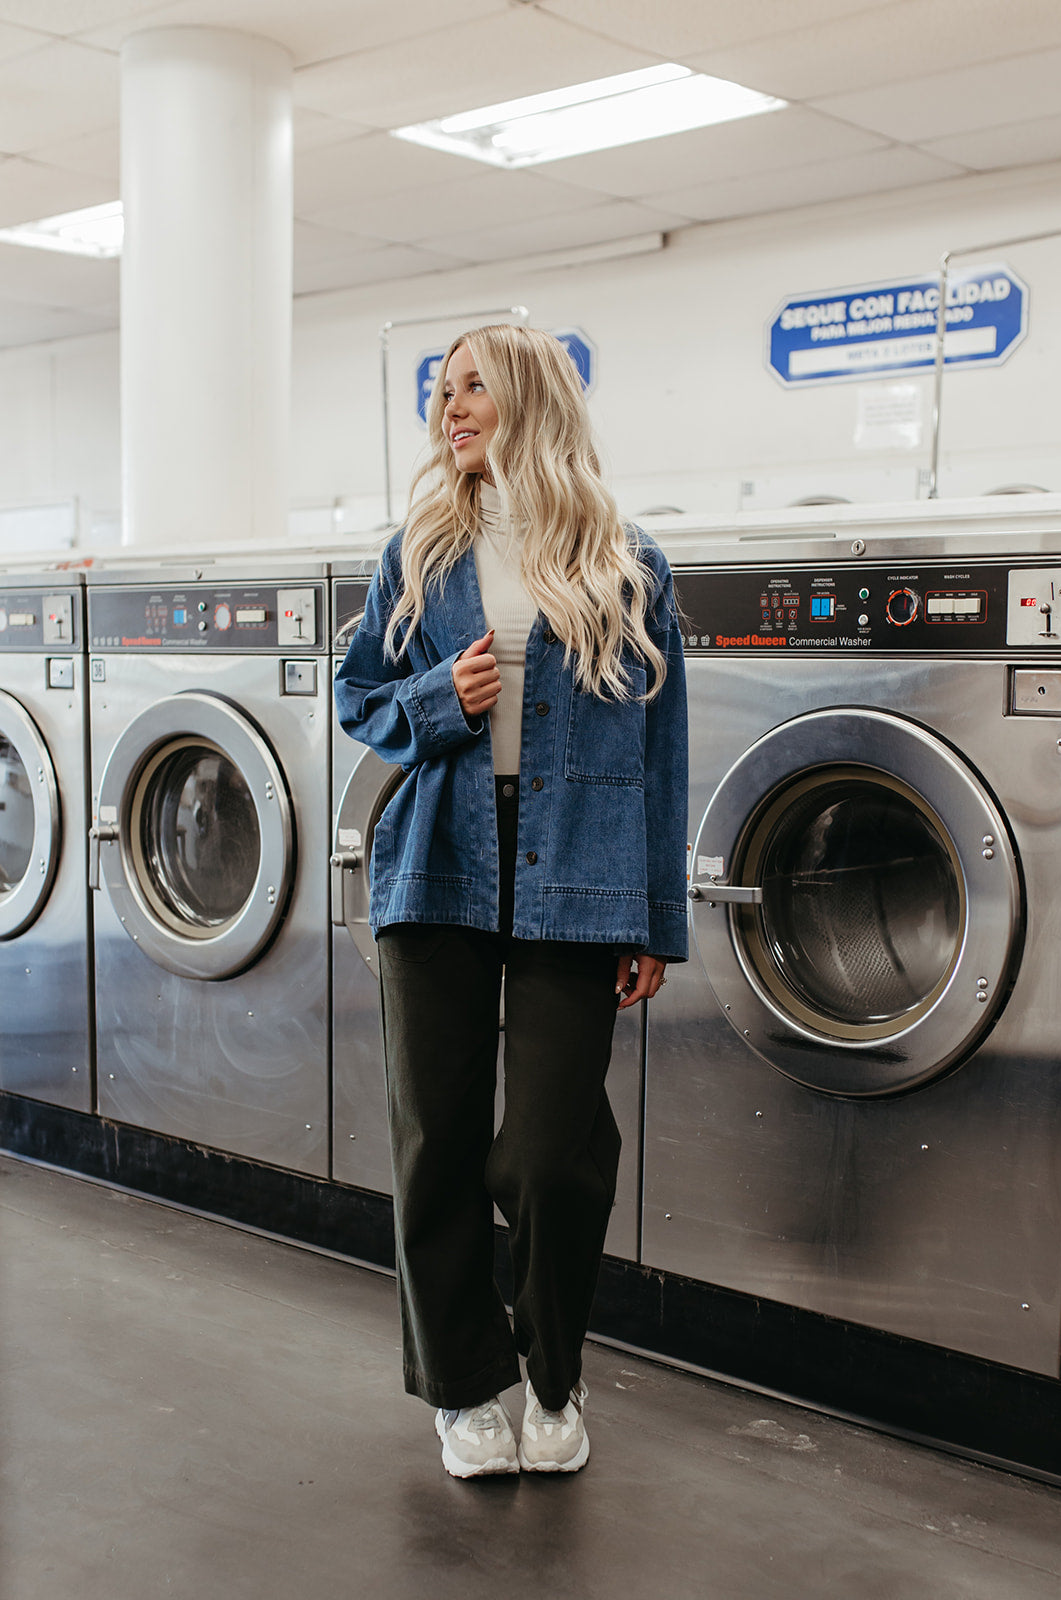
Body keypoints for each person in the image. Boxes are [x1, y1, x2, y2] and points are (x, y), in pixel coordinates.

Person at [334, 323, 688, 1478]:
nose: (451, 407)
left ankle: (551, 1369)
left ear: (529, 396)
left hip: (576, 869)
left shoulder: (623, 556)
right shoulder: (419, 552)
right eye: (440, 391)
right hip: (438, 858)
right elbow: (359, 698)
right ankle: (462, 1388)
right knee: (434, 1140)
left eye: (472, 384)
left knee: (548, 1150)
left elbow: (660, 748)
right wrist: (441, 695)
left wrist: (654, 918)